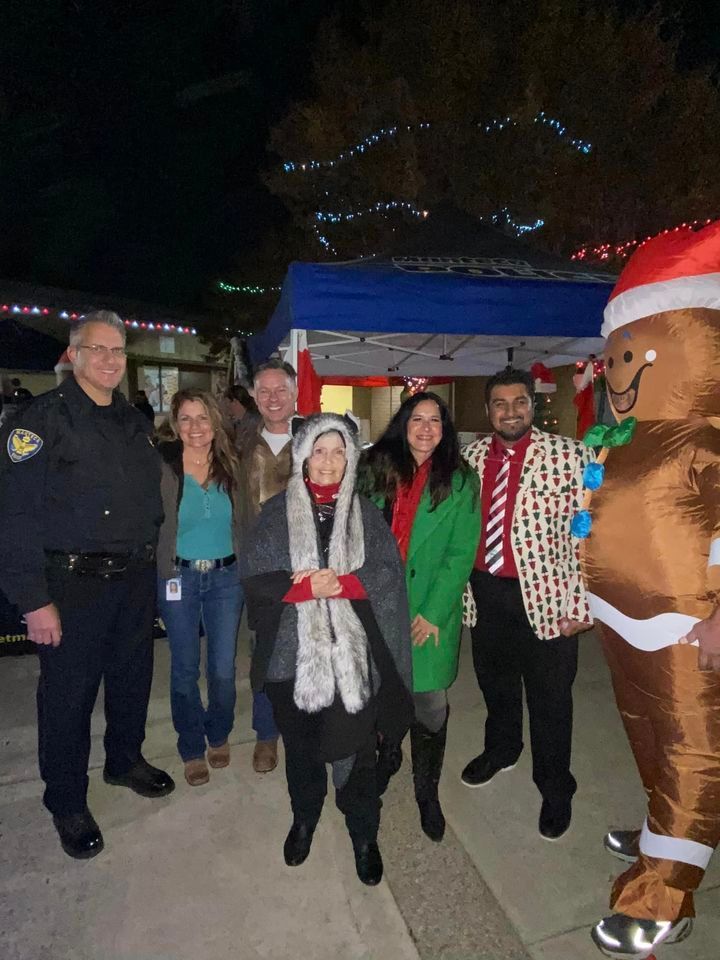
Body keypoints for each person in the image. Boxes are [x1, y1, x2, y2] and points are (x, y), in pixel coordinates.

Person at [579, 222, 720, 958]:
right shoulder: (618, 438)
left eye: (637, 352)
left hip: (686, 620)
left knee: (694, 747)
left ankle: (664, 890)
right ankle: (663, 825)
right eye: (616, 354)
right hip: (618, 615)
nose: (619, 368)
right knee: (645, 729)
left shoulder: (708, 435)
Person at [0, 310, 174, 861]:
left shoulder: (134, 421)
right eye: (97, 349)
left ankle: (124, 761)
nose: (109, 360)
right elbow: (16, 517)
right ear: (72, 354)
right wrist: (33, 601)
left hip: (133, 581)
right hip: (71, 587)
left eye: (118, 351)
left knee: (130, 681)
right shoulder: (39, 422)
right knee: (68, 700)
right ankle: (67, 800)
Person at [240, 414, 413, 885]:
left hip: (354, 659)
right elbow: (255, 579)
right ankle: (305, 818)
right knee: (301, 748)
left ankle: (363, 832)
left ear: (351, 458)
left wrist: (345, 582)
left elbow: (387, 575)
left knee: (358, 751)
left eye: (339, 452)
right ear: (303, 457)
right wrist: (305, 590)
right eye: (320, 451)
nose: (329, 461)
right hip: (291, 658)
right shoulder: (276, 513)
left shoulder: (365, 512)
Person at [462, 368, 592, 842]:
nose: (510, 411)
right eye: (500, 403)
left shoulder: (570, 457)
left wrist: (581, 600)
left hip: (549, 599)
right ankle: (502, 750)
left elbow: (589, 533)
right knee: (495, 686)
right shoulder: (469, 458)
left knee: (551, 700)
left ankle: (556, 787)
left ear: (532, 407)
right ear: (488, 409)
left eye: (519, 402)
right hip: (485, 593)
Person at [359, 392, 480, 841]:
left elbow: (460, 552)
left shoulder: (461, 480)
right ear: (403, 423)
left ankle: (426, 792)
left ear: (445, 429)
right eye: (417, 418)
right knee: (380, 693)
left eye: (435, 420)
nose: (426, 427)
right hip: (378, 605)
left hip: (430, 609)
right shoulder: (374, 468)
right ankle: (388, 755)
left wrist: (433, 612)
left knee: (429, 704)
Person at [156, 390, 245, 786]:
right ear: (175, 425)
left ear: (216, 422)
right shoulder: (163, 466)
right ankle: (191, 746)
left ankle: (219, 732)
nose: (195, 428)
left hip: (227, 577)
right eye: (186, 419)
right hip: (180, 578)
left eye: (202, 418)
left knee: (223, 668)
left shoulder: (234, 463)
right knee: (185, 668)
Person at [237, 359, 298, 774]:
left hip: (306, 564)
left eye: (281, 390)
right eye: (264, 391)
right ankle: (266, 734)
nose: (273, 398)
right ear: (254, 396)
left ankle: (304, 729)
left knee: (308, 649)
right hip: (256, 566)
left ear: (295, 393)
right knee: (264, 651)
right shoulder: (238, 440)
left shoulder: (316, 437)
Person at [224, 383, 261, 447]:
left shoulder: (254, 422)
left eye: (227, 403)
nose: (226, 406)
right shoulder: (235, 422)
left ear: (234, 402)